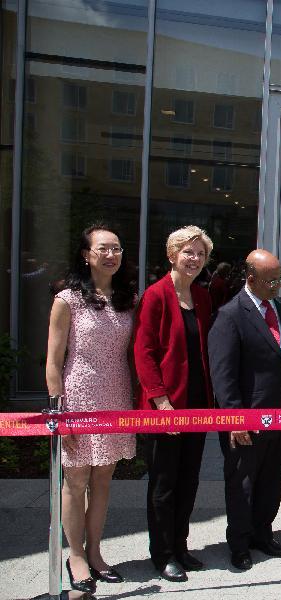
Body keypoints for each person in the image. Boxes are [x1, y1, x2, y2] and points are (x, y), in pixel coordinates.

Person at [45, 225, 136, 594]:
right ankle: (76, 556)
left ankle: (96, 553)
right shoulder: (67, 299)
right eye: (103, 248)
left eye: (116, 248)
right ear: (86, 254)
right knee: (76, 480)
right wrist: (59, 412)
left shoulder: (128, 298)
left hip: (116, 394)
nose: (111, 255)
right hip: (79, 396)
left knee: (102, 480)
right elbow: (53, 361)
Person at [133, 225, 214, 582]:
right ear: (171, 254)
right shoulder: (155, 295)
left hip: (196, 406)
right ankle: (162, 553)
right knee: (164, 484)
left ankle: (180, 546)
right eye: (188, 252)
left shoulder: (202, 296)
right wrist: (162, 402)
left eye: (200, 253)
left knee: (189, 478)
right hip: (166, 406)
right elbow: (144, 352)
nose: (194, 259)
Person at [208, 250, 281, 572]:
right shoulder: (230, 315)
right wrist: (235, 419)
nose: (277, 285)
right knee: (242, 482)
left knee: (273, 478)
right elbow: (223, 374)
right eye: (271, 280)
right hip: (246, 418)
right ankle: (240, 543)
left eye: (280, 278)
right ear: (251, 279)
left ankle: (263, 533)